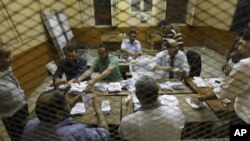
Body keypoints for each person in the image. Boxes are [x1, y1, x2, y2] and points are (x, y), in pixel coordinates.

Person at [192, 28, 250, 124]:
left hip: (245, 117)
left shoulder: (246, 64)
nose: (238, 46)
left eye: (241, 43)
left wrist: (203, 97)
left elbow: (225, 90)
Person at [22, 89, 110, 141]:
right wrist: (98, 110)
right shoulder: (74, 132)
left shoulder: (29, 125)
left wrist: (74, 101)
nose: (69, 103)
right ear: (59, 113)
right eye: (67, 104)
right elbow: (104, 134)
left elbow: (58, 112)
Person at [119, 76, 185, 141]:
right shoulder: (176, 112)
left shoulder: (128, 121)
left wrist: (130, 106)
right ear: (158, 91)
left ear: (137, 95)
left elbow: (121, 135)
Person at [0, 44, 29, 141]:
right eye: (8, 56)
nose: (12, 57)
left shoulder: (6, 69)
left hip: (22, 107)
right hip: (11, 116)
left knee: (29, 131)